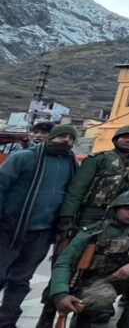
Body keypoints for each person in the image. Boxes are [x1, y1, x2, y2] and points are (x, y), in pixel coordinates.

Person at [0, 124, 77, 328]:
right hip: (11, 227)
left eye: (71, 138)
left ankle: (7, 320)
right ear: (52, 137)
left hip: (43, 232)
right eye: (62, 136)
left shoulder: (71, 163)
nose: (67, 140)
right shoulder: (24, 157)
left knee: (21, 279)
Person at [50, 191, 129, 328]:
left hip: (121, 277)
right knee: (105, 296)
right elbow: (64, 261)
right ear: (116, 209)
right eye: (127, 208)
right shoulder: (93, 231)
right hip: (93, 282)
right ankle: (83, 317)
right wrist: (60, 294)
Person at [58, 125, 129, 227]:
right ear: (116, 139)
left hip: (124, 213)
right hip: (94, 211)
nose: (128, 140)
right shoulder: (98, 158)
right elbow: (78, 188)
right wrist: (67, 214)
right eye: (124, 137)